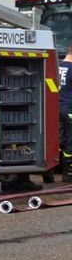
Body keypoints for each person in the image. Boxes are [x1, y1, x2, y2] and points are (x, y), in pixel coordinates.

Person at [60, 48, 72, 177]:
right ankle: (69, 173)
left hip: (56, 107)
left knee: (60, 139)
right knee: (70, 140)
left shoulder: (57, 66)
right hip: (68, 108)